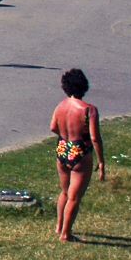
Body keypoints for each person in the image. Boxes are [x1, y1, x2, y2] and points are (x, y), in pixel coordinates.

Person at [50, 68, 105, 242]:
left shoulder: (61, 105)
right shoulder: (89, 110)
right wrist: (101, 161)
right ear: (84, 86)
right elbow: (95, 137)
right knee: (74, 197)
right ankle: (66, 234)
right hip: (80, 150)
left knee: (65, 192)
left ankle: (59, 226)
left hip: (62, 147)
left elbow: (53, 127)